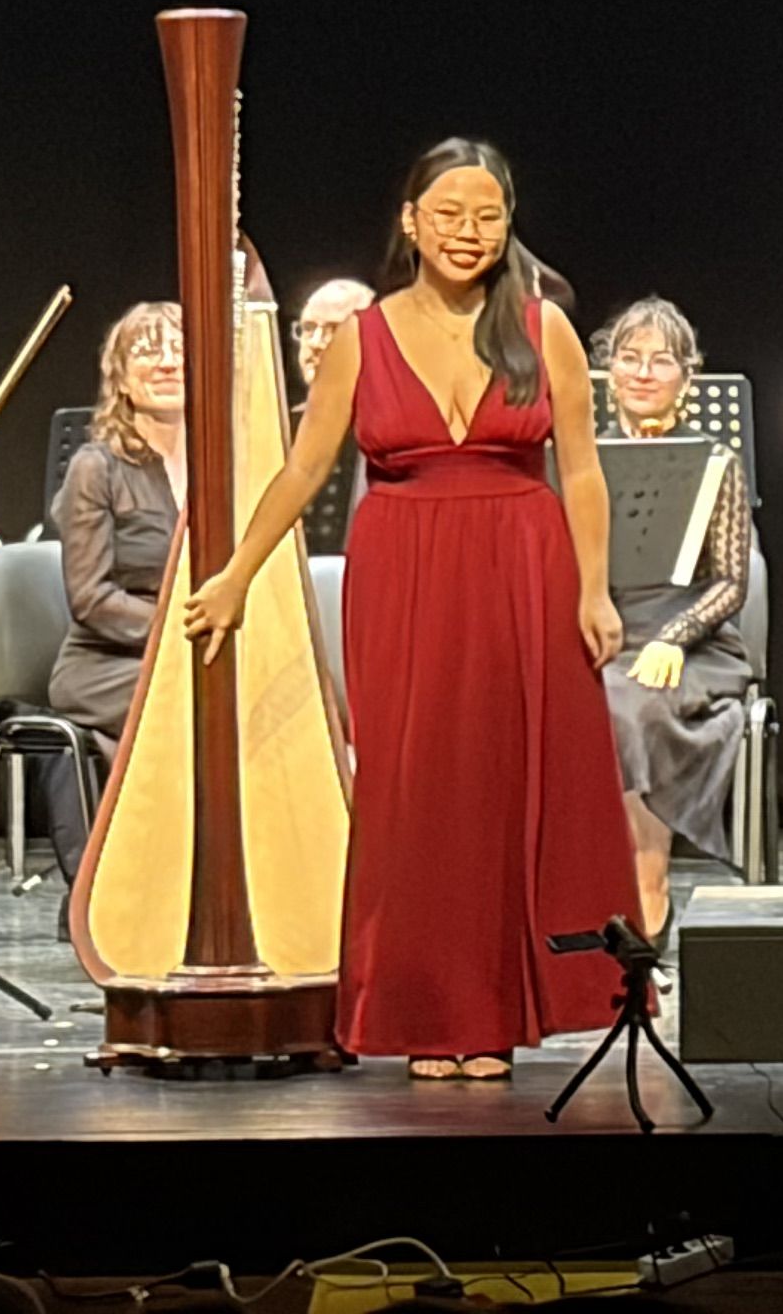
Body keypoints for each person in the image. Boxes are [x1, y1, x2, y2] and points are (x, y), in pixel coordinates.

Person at [182, 138, 638, 1078]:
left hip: (524, 565)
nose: (469, 233)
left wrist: (595, 588)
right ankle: (427, 1013)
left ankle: (495, 1018)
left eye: (488, 216)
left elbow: (584, 470)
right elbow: (304, 470)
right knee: (415, 788)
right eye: (449, 215)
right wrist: (234, 575)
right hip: (404, 571)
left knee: (511, 785)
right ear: (411, 223)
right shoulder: (364, 336)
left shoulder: (543, 326)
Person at [592, 297, 755, 931]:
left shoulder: (716, 463)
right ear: (608, 370)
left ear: (687, 376)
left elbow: (732, 582)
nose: (642, 373)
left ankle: (647, 879)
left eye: (661, 361)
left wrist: (675, 636)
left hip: (691, 641)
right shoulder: (580, 459)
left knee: (630, 705)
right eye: (629, 358)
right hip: (604, 631)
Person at [43, 299, 186, 867]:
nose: (167, 362)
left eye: (180, 350)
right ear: (120, 378)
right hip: (107, 663)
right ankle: (136, 879)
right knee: (198, 706)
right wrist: (180, 633)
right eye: (148, 351)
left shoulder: (225, 465)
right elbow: (91, 598)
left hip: (197, 655)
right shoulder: (96, 467)